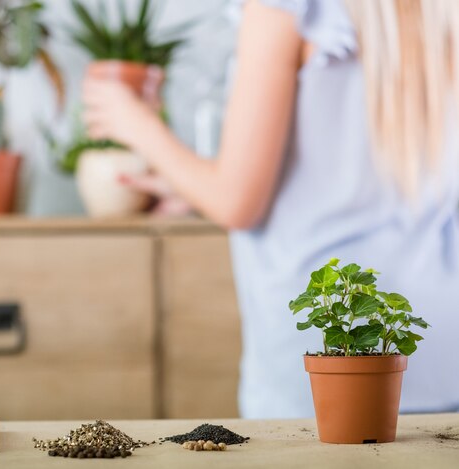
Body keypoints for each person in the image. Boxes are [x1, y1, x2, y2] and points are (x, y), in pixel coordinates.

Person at [82, 0, 459, 418]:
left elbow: (236, 202)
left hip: (325, 365)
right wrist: (192, 185)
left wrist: (133, 122)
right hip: (439, 350)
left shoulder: (283, 7)